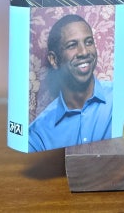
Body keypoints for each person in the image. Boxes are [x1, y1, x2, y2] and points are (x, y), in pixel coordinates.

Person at [28, 14, 113, 152]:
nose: (84, 52)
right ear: (54, 60)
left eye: (89, 42)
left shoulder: (121, 99)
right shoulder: (38, 135)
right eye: (72, 45)